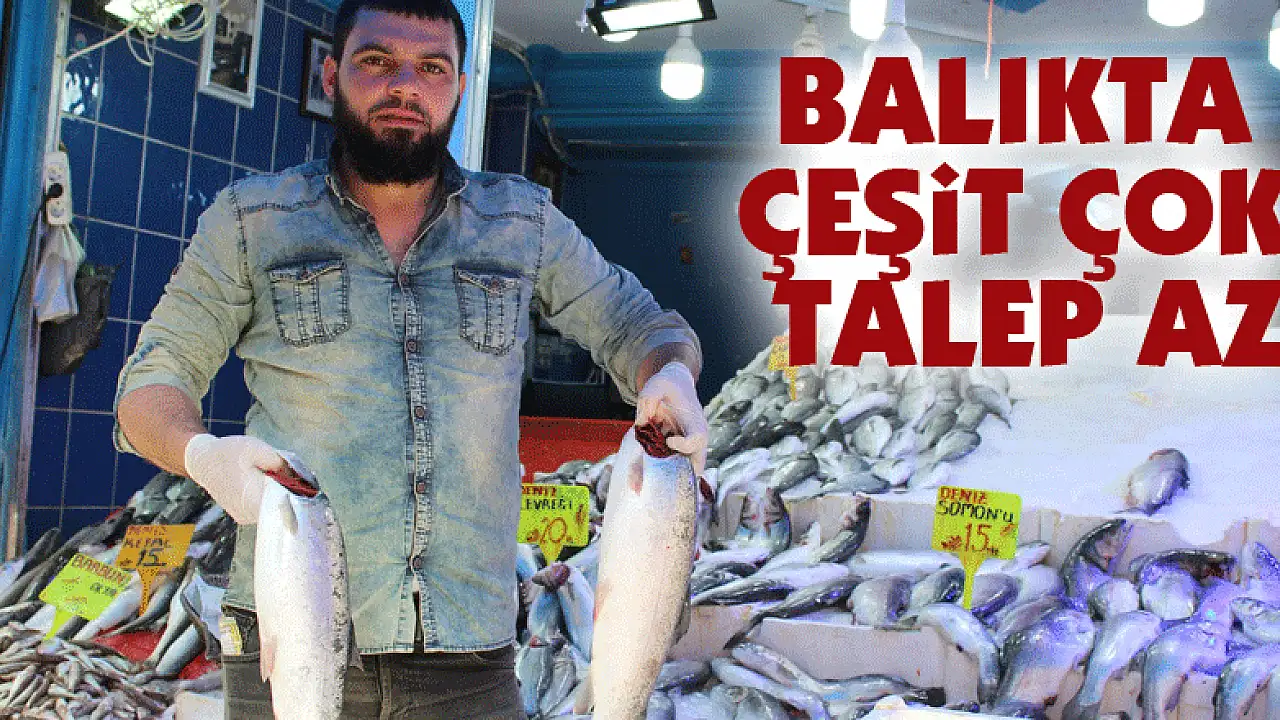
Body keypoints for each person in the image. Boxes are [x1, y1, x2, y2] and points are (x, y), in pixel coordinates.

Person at [112, 0, 707, 716]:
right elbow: (150, 384)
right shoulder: (251, 221)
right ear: (332, 73)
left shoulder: (522, 221)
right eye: (376, 61)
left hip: (470, 654)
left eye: (431, 68)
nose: (405, 86)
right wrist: (203, 455)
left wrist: (670, 373)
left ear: (458, 86)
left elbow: (641, 326)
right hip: (294, 632)